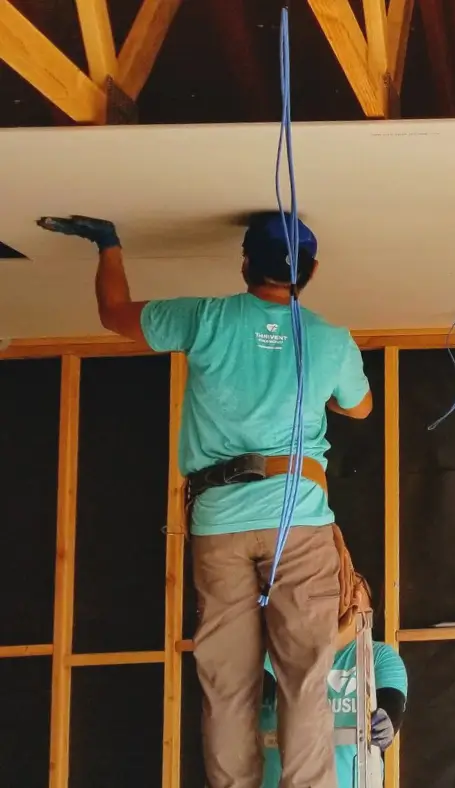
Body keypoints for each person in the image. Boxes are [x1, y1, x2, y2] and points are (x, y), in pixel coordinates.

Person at [37, 211, 373, 788]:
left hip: (220, 522)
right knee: (304, 680)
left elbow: (114, 313)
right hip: (298, 522)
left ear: (244, 264)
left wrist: (109, 244)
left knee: (227, 685)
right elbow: (360, 407)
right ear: (311, 271)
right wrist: (311, 387)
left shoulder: (207, 318)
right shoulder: (330, 340)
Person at [259, 611, 408, 788]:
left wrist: (388, 719)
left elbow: (391, 699)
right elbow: (260, 688)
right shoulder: (282, 652)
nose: (344, 603)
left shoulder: (378, 655)